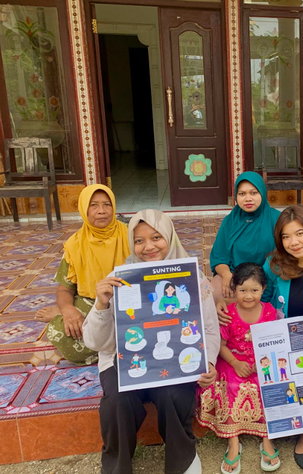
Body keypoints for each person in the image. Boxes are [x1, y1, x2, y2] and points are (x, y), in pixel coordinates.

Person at [83, 209, 221, 474]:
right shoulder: (120, 279)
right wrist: (102, 304)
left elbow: (210, 330)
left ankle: (182, 459)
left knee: (174, 392)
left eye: (156, 237)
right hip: (124, 359)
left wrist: (209, 361)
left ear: (169, 236)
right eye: (139, 240)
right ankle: (117, 465)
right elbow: (95, 342)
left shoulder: (193, 278)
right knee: (117, 401)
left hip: (174, 357)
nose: (148, 247)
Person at [218, 205, 303, 474]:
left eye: (300, 233)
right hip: (282, 335)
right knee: (287, 366)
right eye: (286, 236)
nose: (293, 242)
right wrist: (224, 305)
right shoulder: (275, 264)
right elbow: (259, 300)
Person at [197, 262, 280, 473]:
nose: (249, 296)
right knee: (230, 385)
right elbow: (221, 345)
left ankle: (267, 438)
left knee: (270, 384)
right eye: (242, 290)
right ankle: (233, 442)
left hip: (260, 362)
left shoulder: (269, 312)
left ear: (263, 289)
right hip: (231, 361)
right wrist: (235, 362)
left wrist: (257, 364)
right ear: (234, 290)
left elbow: (274, 344)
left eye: (254, 290)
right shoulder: (228, 313)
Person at [37, 184, 129, 365]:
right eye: (93, 205)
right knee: (60, 333)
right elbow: (64, 290)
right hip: (92, 303)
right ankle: (115, 341)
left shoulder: (131, 236)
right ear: (83, 209)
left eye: (107, 205)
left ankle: (106, 340)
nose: (101, 211)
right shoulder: (75, 245)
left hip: (130, 301)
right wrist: (68, 310)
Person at [209, 172, 280, 299]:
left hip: (270, 278)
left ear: (262, 193)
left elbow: (285, 255)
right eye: (242, 194)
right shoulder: (230, 221)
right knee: (215, 296)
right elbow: (219, 257)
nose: (248, 198)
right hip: (236, 279)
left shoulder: (276, 219)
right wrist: (226, 275)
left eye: (253, 193)